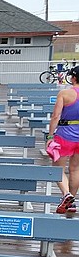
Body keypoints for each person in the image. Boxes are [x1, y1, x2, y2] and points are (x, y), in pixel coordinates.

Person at [47, 65, 79, 214]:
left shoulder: (65, 94)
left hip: (64, 135)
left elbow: (55, 116)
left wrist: (50, 136)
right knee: (75, 169)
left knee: (57, 169)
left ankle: (66, 194)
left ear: (73, 77)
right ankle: (72, 202)